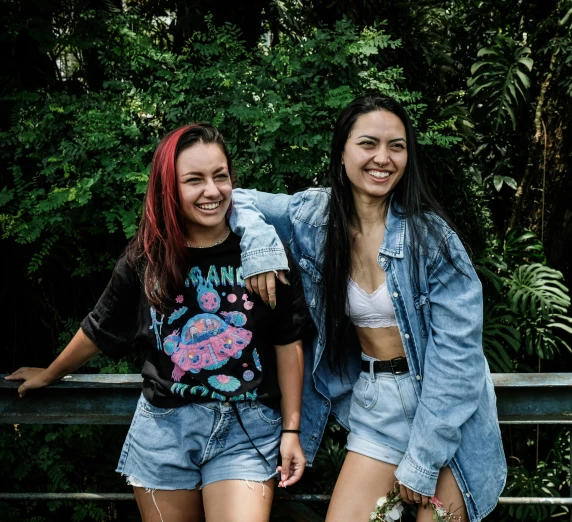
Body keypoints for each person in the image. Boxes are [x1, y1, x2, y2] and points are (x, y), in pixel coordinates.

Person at [6, 123, 308, 522]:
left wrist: (291, 431)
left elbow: (289, 342)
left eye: (220, 176)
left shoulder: (264, 254)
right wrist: (51, 372)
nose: (212, 191)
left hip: (245, 426)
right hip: (165, 428)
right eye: (194, 180)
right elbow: (101, 326)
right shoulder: (146, 256)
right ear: (169, 187)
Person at [229, 94, 506, 522]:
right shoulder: (314, 216)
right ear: (342, 152)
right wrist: (261, 247)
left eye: (396, 146)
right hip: (377, 404)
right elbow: (236, 199)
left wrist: (423, 459)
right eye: (368, 144)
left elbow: (459, 360)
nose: (383, 158)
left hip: (445, 415)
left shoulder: (433, 241)